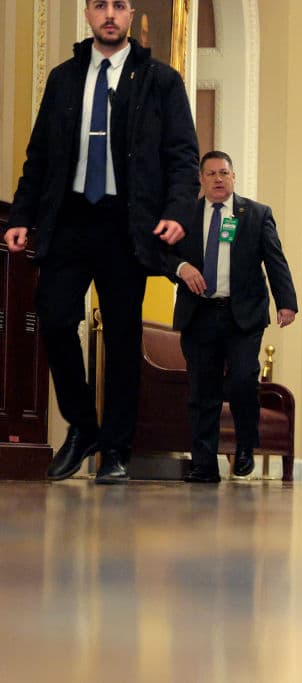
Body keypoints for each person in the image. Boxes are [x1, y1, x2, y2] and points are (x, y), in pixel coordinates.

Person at [5, 0, 199, 484]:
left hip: (125, 223)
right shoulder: (63, 79)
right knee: (53, 318)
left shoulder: (161, 80)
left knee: (122, 337)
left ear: (131, 15)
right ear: (88, 15)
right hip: (68, 219)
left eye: (119, 6)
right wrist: (22, 214)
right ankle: (83, 426)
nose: (109, 14)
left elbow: (182, 155)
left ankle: (115, 449)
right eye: (100, 5)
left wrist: (176, 212)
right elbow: (38, 155)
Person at [172, 151, 297, 483]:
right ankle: (204, 464)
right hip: (199, 314)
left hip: (243, 315)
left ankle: (244, 447)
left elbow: (275, 259)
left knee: (243, 380)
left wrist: (286, 302)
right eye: (211, 173)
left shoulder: (255, 214)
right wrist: (181, 268)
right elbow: (163, 254)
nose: (218, 179)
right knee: (203, 390)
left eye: (224, 173)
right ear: (201, 179)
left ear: (233, 177)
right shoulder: (185, 215)